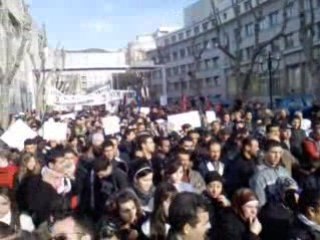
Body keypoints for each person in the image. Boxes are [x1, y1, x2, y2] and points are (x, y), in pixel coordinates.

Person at [250, 140, 291, 207]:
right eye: (273, 152)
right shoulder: (259, 176)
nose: (277, 156)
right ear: (265, 153)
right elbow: (260, 203)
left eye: (279, 152)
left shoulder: (284, 171)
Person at [202, 171, 230, 239]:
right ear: (206, 186)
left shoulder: (224, 200)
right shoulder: (202, 201)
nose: (215, 190)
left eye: (218, 187)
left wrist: (228, 207)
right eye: (211, 186)